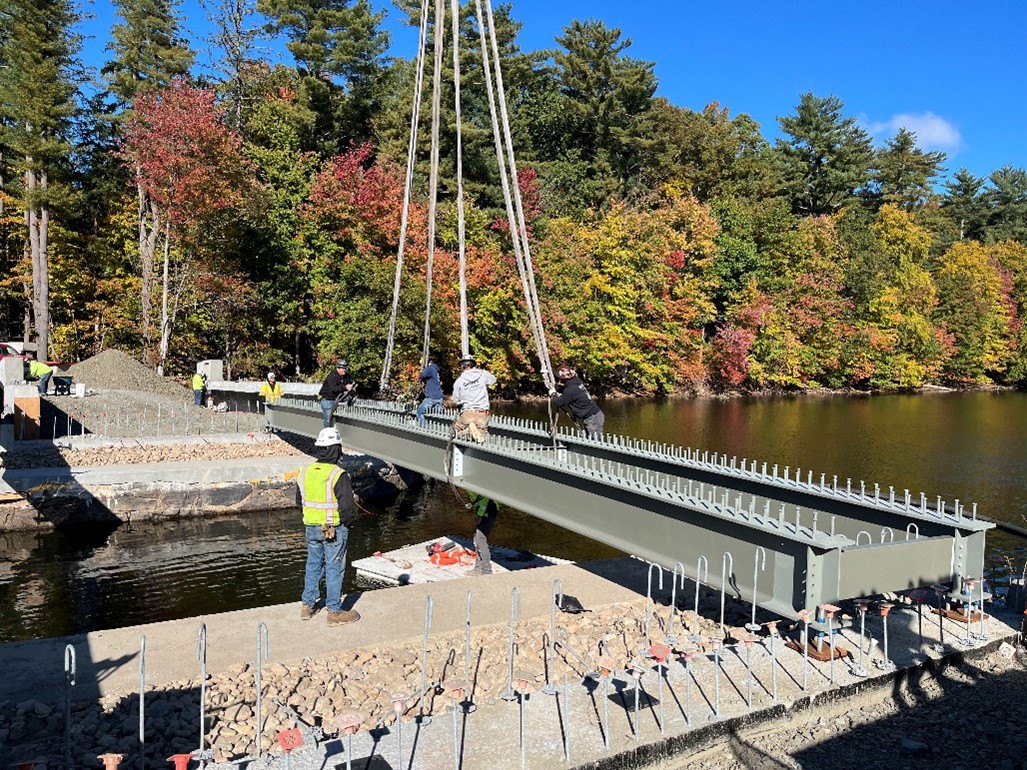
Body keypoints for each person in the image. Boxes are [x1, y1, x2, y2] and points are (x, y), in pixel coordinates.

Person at [296, 427, 359, 625]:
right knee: (334, 567)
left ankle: (307, 606)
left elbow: (299, 502)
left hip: (311, 527)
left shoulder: (305, 472)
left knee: (313, 564)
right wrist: (348, 524)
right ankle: (334, 611)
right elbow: (347, 507)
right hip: (333, 529)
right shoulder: (338, 474)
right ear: (337, 449)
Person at [550, 364, 605, 437]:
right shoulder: (577, 381)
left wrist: (553, 394)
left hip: (592, 418)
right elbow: (567, 391)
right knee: (591, 438)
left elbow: (560, 402)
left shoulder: (570, 390)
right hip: (594, 415)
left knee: (595, 441)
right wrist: (557, 389)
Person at [451, 355, 496, 442]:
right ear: (473, 364)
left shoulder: (459, 381)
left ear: (462, 366)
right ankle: (476, 432)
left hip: (468, 412)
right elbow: (493, 379)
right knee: (483, 433)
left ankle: (468, 431)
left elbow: (455, 399)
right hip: (482, 413)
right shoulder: (482, 375)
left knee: (457, 430)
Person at [467, 491, 499, 575]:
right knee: (477, 539)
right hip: (484, 510)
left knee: (480, 539)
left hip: (488, 511)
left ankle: (486, 570)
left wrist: (479, 516)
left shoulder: (474, 486)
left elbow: (484, 501)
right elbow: (477, 501)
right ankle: (478, 568)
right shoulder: (469, 487)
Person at [318, 360, 356, 427]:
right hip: (327, 399)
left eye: (346, 368)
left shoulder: (346, 376)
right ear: (338, 368)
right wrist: (345, 387)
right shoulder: (332, 376)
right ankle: (327, 433)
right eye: (343, 368)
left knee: (351, 396)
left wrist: (352, 393)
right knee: (329, 419)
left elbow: (349, 385)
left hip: (337, 398)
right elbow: (334, 388)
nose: (345, 370)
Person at [415, 354, 444, 426]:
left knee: (420, 412)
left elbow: (422, 375)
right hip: (439, 397)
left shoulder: (430, 368)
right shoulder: (436, 371)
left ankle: (424, 428)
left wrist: (421, 372)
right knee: (437, 417)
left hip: (432, 396)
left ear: (430, 362)